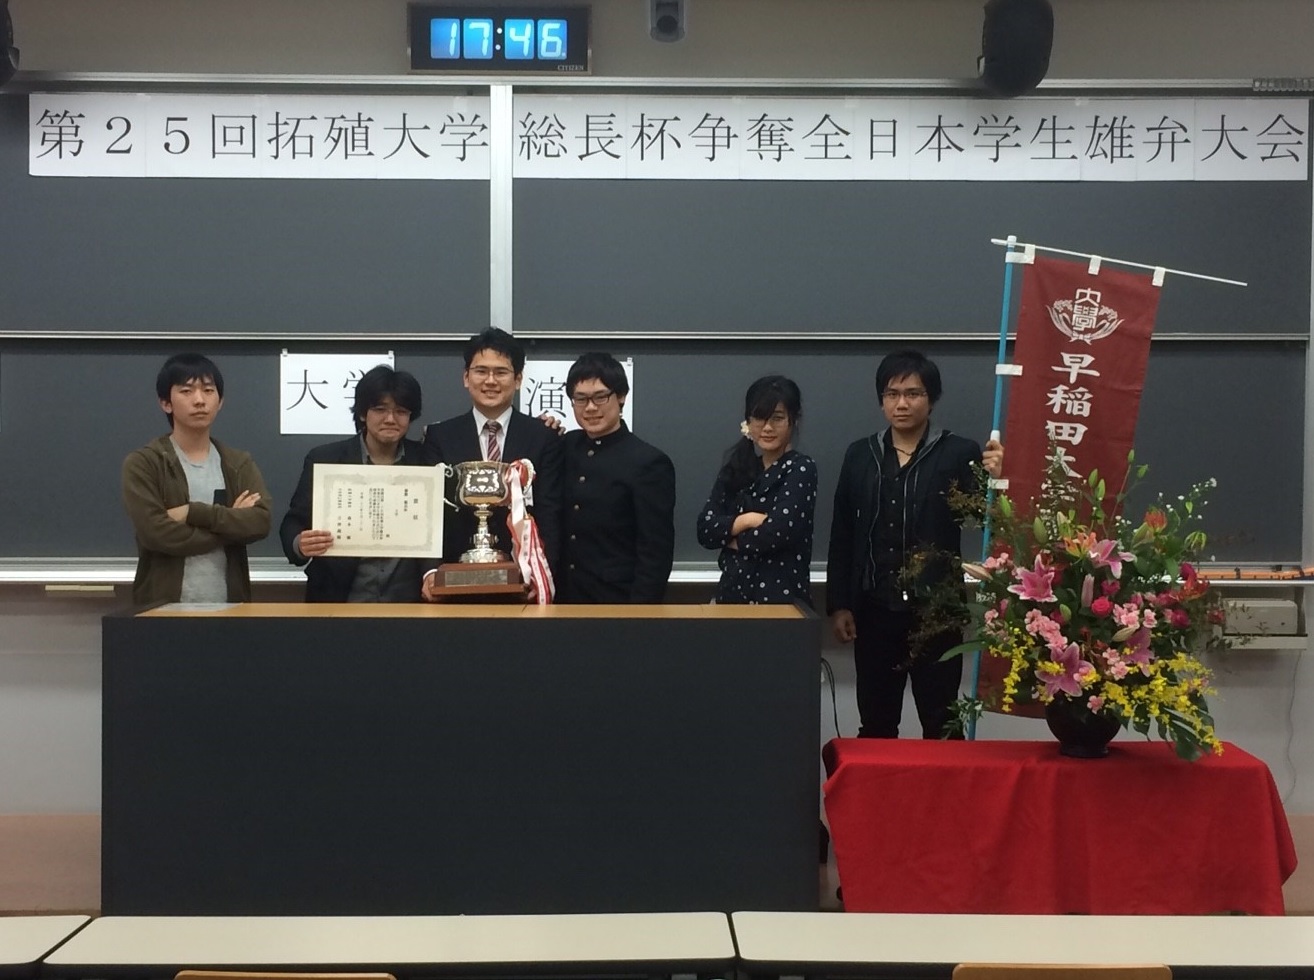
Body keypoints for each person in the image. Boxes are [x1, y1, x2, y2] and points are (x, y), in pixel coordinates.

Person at [826, 349, 1003, 739]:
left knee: (942, 724)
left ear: (931, 399)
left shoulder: (959, 452)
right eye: (892, 394)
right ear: (881, 400)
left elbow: (988, 518)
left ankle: (945, 784)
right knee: (876, 724)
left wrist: (998, 480)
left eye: (913, 393)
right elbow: (843, 533)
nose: (901, 404)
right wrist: (840, 604)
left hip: (936, 613)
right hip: (874, 611)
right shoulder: (860, 455)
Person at [279, 365, 441, 602]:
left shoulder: (428, 461)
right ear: (363, 413)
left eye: (401, 411)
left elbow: (439, 528)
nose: (390, 419)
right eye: (380, 409)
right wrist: (300, 543)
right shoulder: (326, 459)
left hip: (410, 602)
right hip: (338, 600)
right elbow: (293, 522)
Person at [121, 353, 271, 606]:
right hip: (162, 610)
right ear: (166, 403)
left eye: (208, 390)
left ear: (220, 402)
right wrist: (229, 527)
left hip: (230, 608)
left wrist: (192, 512)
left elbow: (260, 522)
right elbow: (156, 534)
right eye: (186, 391)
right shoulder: (144, 463)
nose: (200, 400)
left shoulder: (237, 463)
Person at [420, 328, 562, 593]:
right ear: (466, 377)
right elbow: (429, 512)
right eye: (481, 371)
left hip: (522, 578)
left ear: (518, 379)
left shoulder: (543, 437)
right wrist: (430, 571)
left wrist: (543, 577)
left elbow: (550, 512)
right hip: (454, 577)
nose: (490, 381)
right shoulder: (439, 437)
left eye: (501, 372)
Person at [558, 352, 676, 603]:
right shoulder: (565, 446)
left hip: (616, 601)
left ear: (621, 396)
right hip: (562, 599)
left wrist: (639, 614)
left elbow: (655, 552)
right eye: (581, 399)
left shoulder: (648, 462)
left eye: (600, 397)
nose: (590, 407)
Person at [697, 375, 817, 606]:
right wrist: (748, 520)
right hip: (731, 598)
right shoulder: (736, 469)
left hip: (781, 602)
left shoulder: (800, 468)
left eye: (777, 418)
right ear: (748, 421)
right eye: (759, 418)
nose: (768, 427)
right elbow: (705, 529)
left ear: (794, 420)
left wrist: (731, 540)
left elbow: (778, 532)